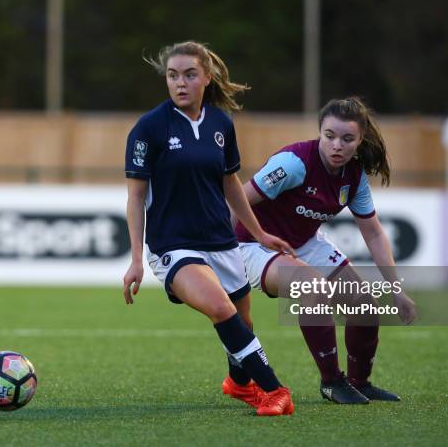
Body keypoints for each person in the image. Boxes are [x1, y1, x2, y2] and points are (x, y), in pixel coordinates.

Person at [122, 41, 295, 416]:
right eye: (172, 76)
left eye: (189, 75)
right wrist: (136, 259)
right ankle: (276, 391)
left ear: (207, 77)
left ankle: (239, 383)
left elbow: (230, 183)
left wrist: (259, 233)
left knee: (242, 323)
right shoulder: (148, 128)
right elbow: (135, 198)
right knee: (220, 308)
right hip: (173, 246)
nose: (180, 83)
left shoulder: (221, 124)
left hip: (221, 240)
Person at [232, 97, 417, 404]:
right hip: (252, 244)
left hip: (303, 244)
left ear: (360, 141)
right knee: (314, 288)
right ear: (320, 132)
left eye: (347, 139)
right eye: (329, 136)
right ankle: (332, 382)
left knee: (365, 307)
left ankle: (360, 382)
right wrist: (219, 249)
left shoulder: (354, 177)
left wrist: (396, 289)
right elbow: (237, 201)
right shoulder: (294, 163)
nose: (336, 146)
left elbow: (373, 233)